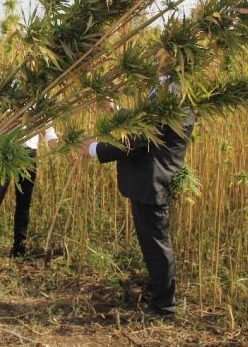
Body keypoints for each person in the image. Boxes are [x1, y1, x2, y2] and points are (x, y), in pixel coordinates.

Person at [80, 77, 195, 319]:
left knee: (157, 243)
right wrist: (116, 109)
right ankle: (156, 290)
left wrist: (95, 149)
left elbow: (141, 140)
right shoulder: (165, 88)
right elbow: (146, 125)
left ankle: (164, 307)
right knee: (150, 241)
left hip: (154, 180)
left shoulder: (172, 93)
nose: (153, 57)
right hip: (147, 180)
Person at [0, 127, 58, 268]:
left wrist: (67, 152)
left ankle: (19, 250)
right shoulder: (12, 104)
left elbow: (49, 135)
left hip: (28, 155)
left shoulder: (40, 108)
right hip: (5, 151)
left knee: (24, 203)